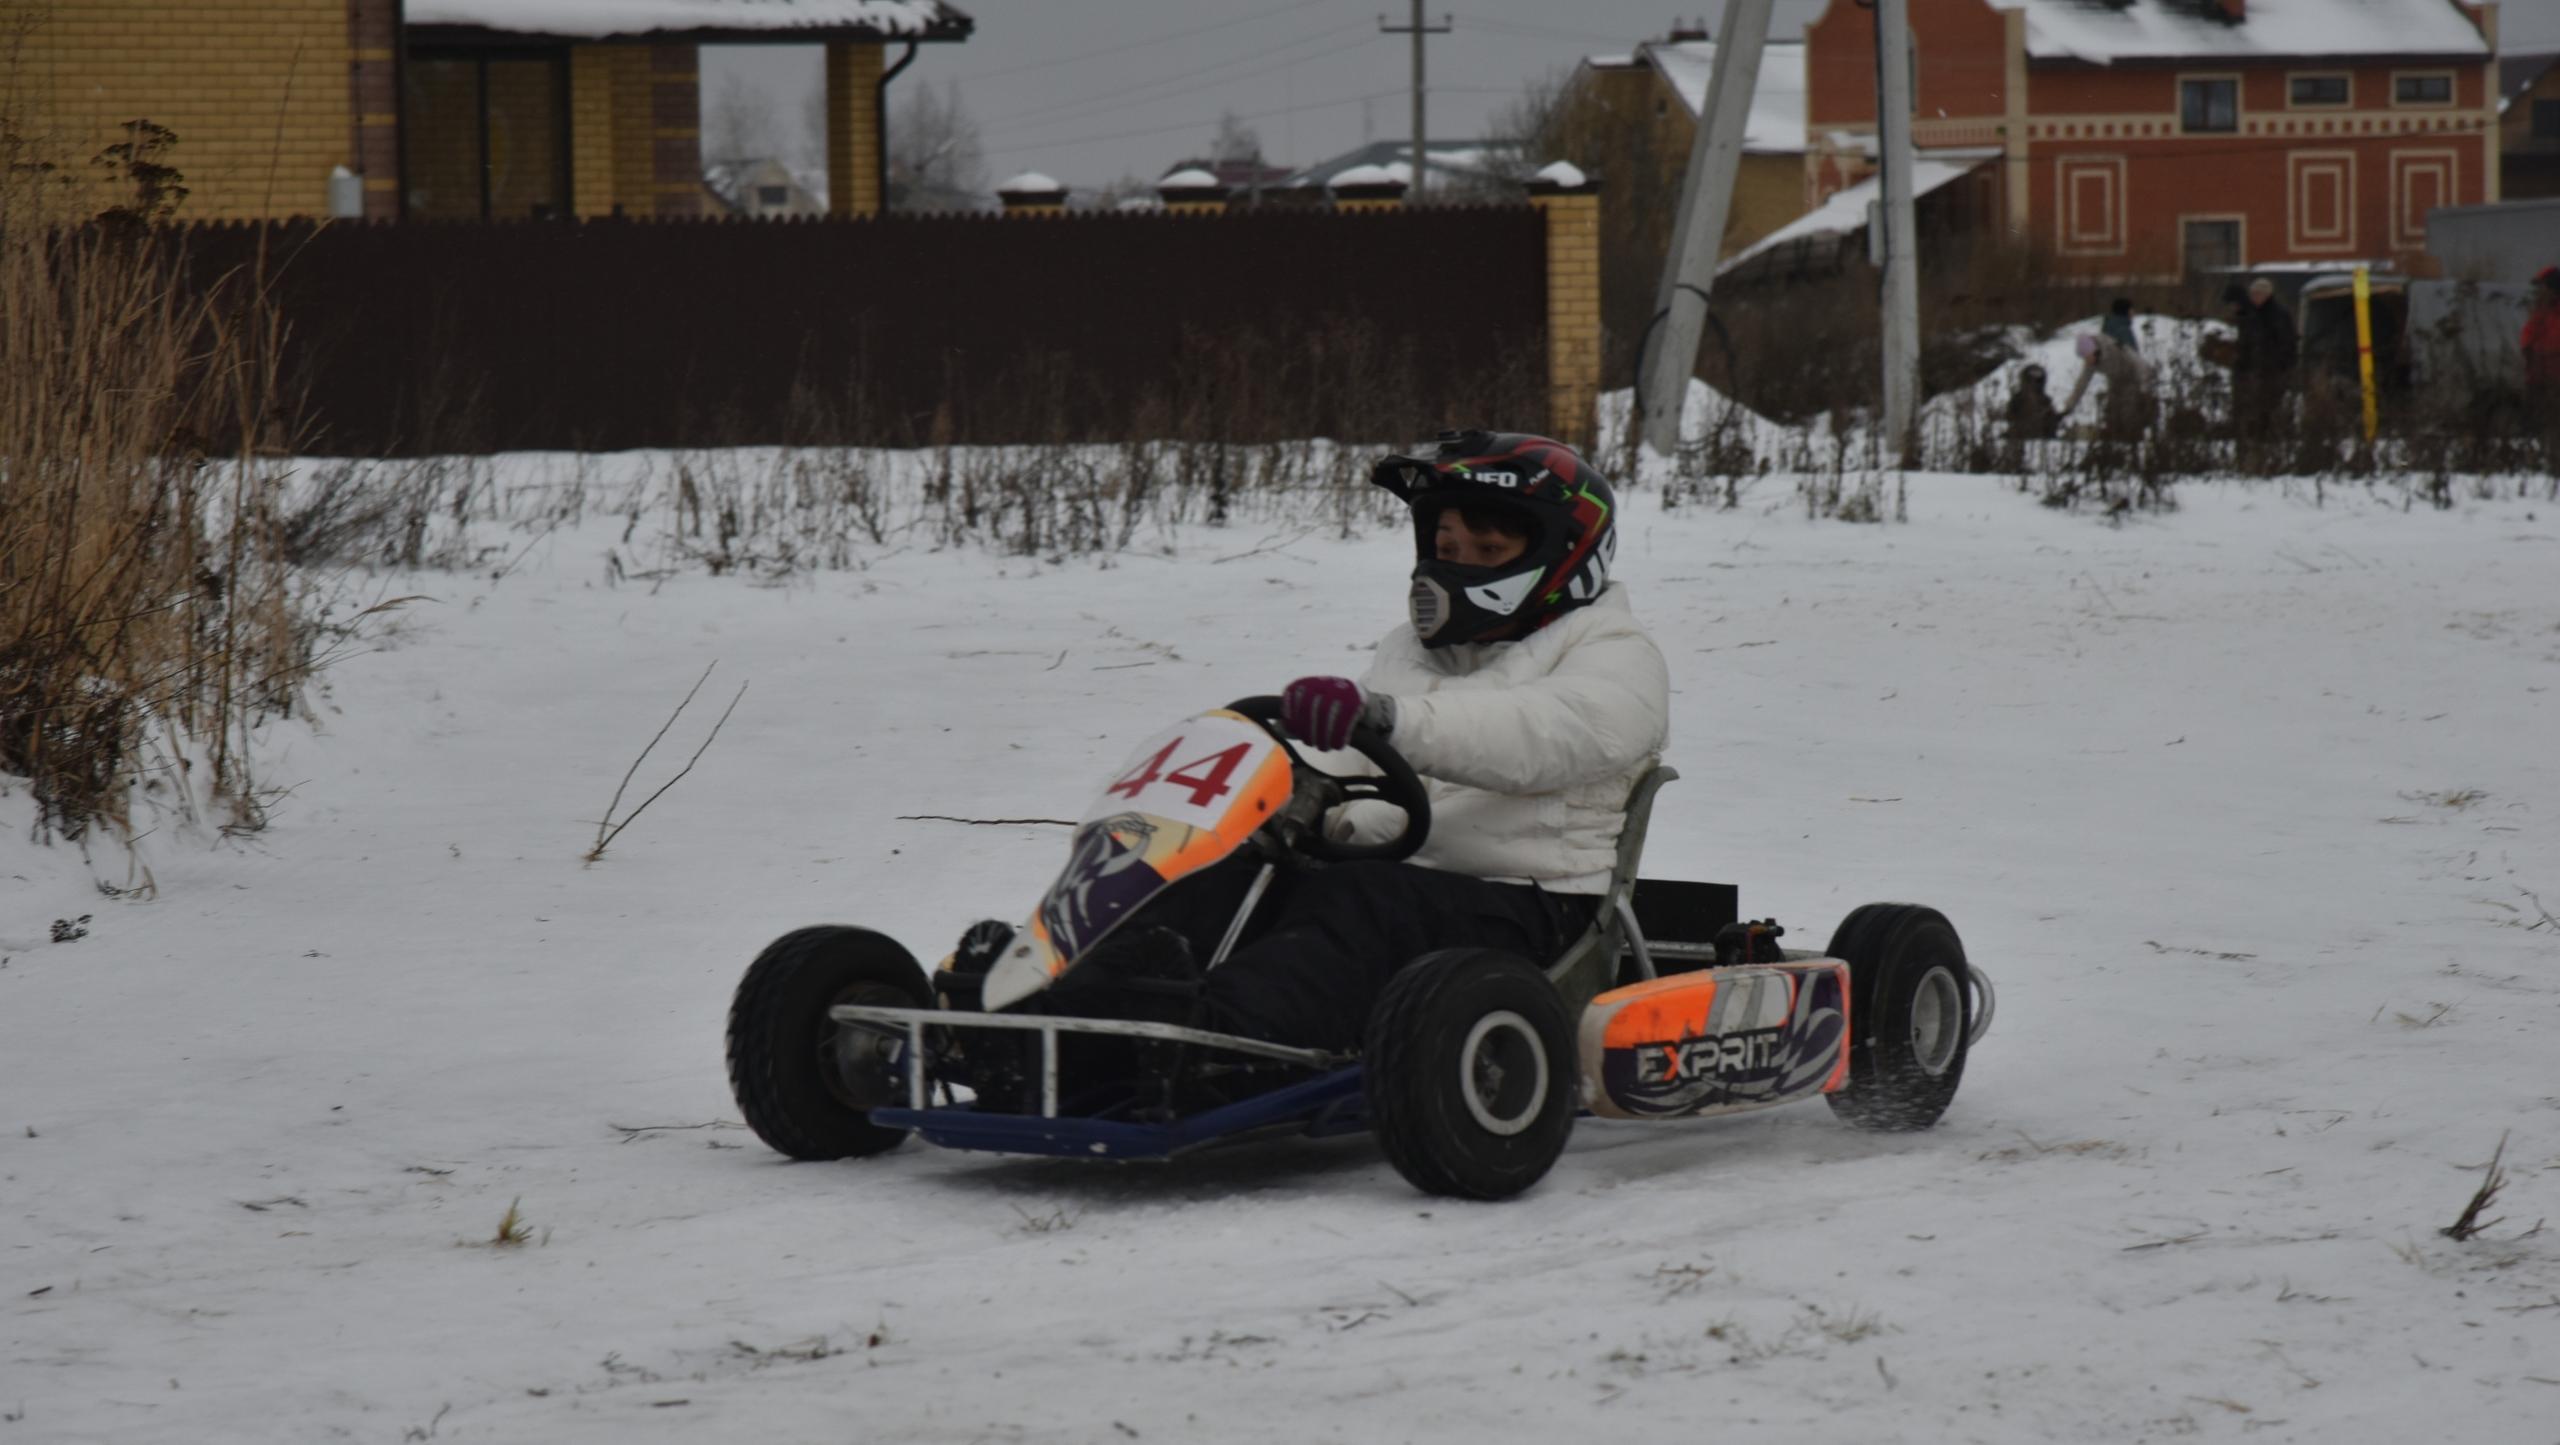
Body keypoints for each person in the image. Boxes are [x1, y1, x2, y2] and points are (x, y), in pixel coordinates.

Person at [1000, 430, 1670, 1053]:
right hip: (1396, 878)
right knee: (1224, 870)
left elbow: (1543, 733)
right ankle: (1071, 999)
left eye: (1487, 552)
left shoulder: (1614, 652)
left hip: (1530, 906)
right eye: (1446, 547)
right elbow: (1343, 756)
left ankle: (1212, 1037)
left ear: (1563, 553)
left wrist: (1390, 719)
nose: (1454, 567)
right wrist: (1278, 783)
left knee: (1358, 903)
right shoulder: (1413, 654)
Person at [2228, 277, 2297, 438]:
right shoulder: (2249, 315)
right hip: (2250, 368)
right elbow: (2245, 341)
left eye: (2257, 294)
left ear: (2267, 295)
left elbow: (2286, 342)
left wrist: (2282, 363)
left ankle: (2268, 435)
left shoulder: (2278, 314)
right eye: (2252, 294)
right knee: (2248, 404)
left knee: (2269, 404)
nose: (2253, 297)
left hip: (2272, 368)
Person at [2060, 331, 2156, 440]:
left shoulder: (2112, 345)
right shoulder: (2091, 362)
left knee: (2128, 416)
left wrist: (2145, 387)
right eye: (2084, 358)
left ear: (2093, 350)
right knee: (2111, 418)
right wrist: (2069, 406)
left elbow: (2137, 362)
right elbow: (2082, 383)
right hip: (2115, 384)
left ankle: (2134, 440)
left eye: (2087, 357)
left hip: (2132, 380)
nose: (2086, 361)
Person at [2523, 266, 2560, 427]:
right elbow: (2528, 334)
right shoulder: (2541, 311)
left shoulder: (2551, 313)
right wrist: (2527, 348)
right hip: (2538, 378)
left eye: (2542, 287)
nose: (2539, 292)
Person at [2004, 362, 2060, 442]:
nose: (2034, 384)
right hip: (2020, 437)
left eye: (2037, 381)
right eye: (2031, 381)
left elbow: (2052, 420)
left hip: (2043, 437)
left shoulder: (2045, 400)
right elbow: (2010, 416)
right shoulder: (2018, 398)